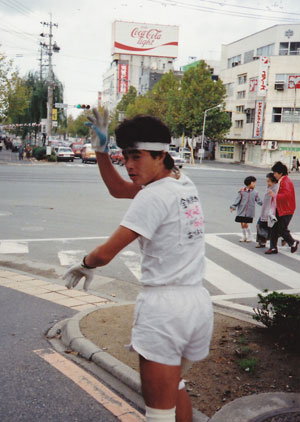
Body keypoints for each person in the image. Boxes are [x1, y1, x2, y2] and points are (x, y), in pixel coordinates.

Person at [63, 110, 214, 422]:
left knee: (158, 413)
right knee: (175, 387)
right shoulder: (182, 182)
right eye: (125, 157)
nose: (129, 165)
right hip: (197, 305)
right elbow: (118, 190)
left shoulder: (153, 197)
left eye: (137, 156)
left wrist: (85, 264)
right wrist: (102, 153)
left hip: (164, 311)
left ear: (160, 155)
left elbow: (106, 253)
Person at [265, 161, 299, 254]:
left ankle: (292, 242)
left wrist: (274, 195)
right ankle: (273, 248)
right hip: (280, 208)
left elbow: (287, 195)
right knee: (274, 228)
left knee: (281, 228)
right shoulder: (282, 180)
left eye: (275, 173)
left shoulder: (286, 182)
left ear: (280, 173)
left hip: (286, 209)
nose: (274, 175)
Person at [230, 176, 262, 242]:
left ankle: (250, 235)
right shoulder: (241, 192)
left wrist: (264, 204)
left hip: (249, 212)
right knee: (242, 224)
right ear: (249, 183)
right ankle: (244, 236)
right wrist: (233, 207)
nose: (255, 184)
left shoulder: (255, 192)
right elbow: (237, 200)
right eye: (254, 182)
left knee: (245, 223)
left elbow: (259, 201)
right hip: (241, 211)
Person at [255, 173, 278, 248]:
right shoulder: (269, 187)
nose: (268, 183)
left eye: (269, 181)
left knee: (264, 226)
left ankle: (282, 237)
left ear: (274, 181)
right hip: (265, 210)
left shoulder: (275, 188)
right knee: (261, 225)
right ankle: (262, 242)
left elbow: (276, 200)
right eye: (267, 181)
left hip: (270, 211)